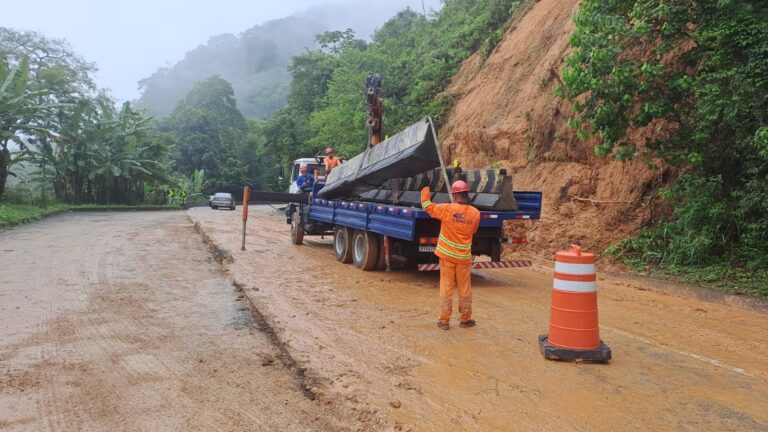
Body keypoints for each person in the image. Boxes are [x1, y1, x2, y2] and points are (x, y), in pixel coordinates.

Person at [421, 180, 480, 330]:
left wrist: (425, 189)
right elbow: (473, 231)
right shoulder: (475, 213)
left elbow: (427, 206)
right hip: (463, 258)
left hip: (447, 257)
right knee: (465, 288)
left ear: (454, 196)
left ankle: (444, 321)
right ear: (467, 195)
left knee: (446, 287)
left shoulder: (447, 209)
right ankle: (465, 319)